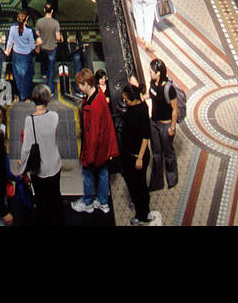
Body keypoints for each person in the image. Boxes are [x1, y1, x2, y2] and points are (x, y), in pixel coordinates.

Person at [71, 67, 119, 215]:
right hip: (105, 147)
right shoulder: (99, 95)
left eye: (80, 84)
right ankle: (103, 203)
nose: (78, 87)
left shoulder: (94, 106)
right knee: (103, 173)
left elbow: (93, 136)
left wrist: (88, 157)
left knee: (88, 174)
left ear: (86, 84)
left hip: (95, 149)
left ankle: (88, 203)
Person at [19, 84, 63, 225]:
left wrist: (22, 170)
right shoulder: (54, 116)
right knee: (56, 197)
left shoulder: (29, 121)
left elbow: (26, 147)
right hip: (55, 164)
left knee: (41, 201)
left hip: (39, 169)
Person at [120, 83, 153, 225]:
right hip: (129, 154)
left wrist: (139, 158)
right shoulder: (138, 105)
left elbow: (146, 137)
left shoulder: (141, 112)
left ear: (132, 99)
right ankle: (137, 203)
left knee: (139, 186)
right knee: (132, 181)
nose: (124, 102)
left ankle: (143, 215)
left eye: (126, 99)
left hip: (137, 156)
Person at [147, 58, 179, 189]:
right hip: (154, 124)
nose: (149, 73)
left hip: (165, 126)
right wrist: (144, 97)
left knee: (169, 154)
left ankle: (172, 179)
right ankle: (157, 182)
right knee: (156, 153)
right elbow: (152, 95)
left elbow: (175, 109)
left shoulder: (169, 89)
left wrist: (172, 127)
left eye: (151, 72)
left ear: (158, 73)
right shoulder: (153, 83)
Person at [34, 3, 63, 94]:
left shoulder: (39, 22)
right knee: (51, 68)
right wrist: (61, 37)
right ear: (52, 11)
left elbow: (37, 35)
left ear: (44, 10)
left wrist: (37, 46)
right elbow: (58, 38)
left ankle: (43, 73)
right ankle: (50, 88)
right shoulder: (55, 23)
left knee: (43, 60)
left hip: (42, 47)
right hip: (52, 48)